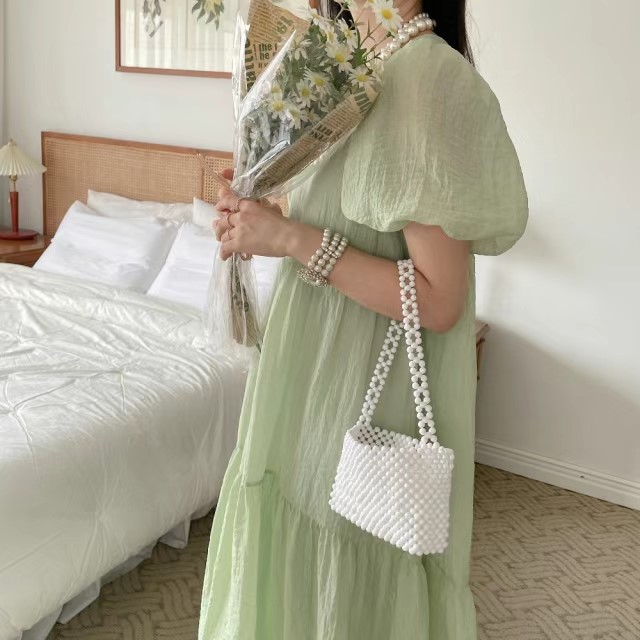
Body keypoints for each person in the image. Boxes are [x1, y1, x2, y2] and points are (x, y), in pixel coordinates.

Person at [199, 0, 528, 637]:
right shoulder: (348, 62)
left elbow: (440, 300)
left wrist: (291, 239)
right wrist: (265, 214)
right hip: (309, 374)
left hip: (362, 391)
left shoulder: (427, 78)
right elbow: (349, 223)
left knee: (345, 583)